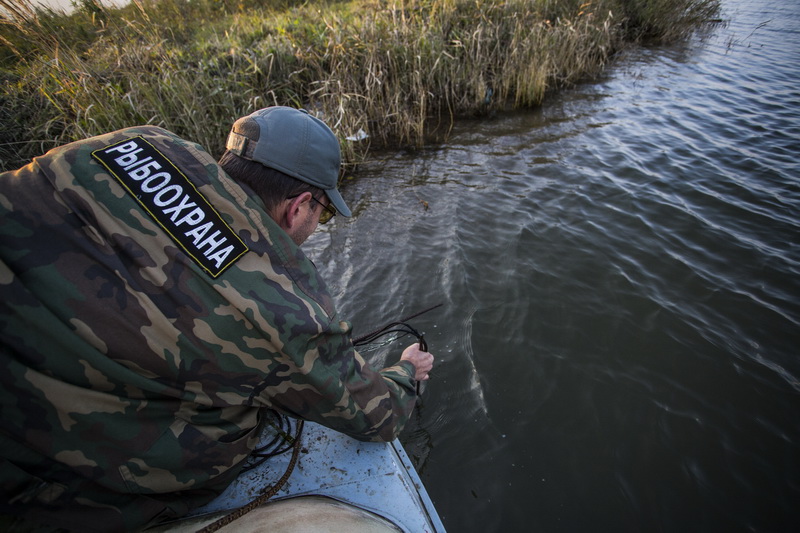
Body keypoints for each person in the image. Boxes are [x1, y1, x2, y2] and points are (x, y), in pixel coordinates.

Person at [0, 106, 434, 532]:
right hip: (39, 490)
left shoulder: (138, 141)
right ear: (300, 206)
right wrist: (406, 371)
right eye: (322, 211)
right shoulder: (283, 306)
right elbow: (376, 417)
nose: (315, 223)